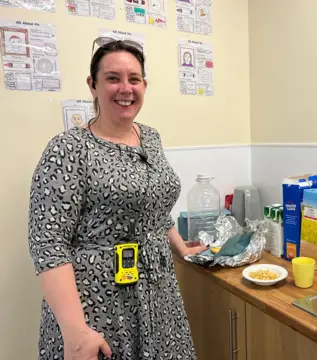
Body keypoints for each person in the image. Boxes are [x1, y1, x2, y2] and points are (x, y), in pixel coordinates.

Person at [28, 38, 206, 360]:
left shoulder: (150, 137)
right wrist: (75, 331)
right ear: (93, 85)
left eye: (133, 79)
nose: (125, 88)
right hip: (98, 308)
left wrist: (180, 246)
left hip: (159, 297)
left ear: (144, 85)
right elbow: (48, 243)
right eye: (113, 78)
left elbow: (153, 207)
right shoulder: (69, 148)